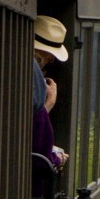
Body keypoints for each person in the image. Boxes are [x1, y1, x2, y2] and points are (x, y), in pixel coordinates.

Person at [33, 16, 69, 173]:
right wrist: (48, 103)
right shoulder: (34, 74)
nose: (49, 60)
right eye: (49, 56)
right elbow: (39, 148)